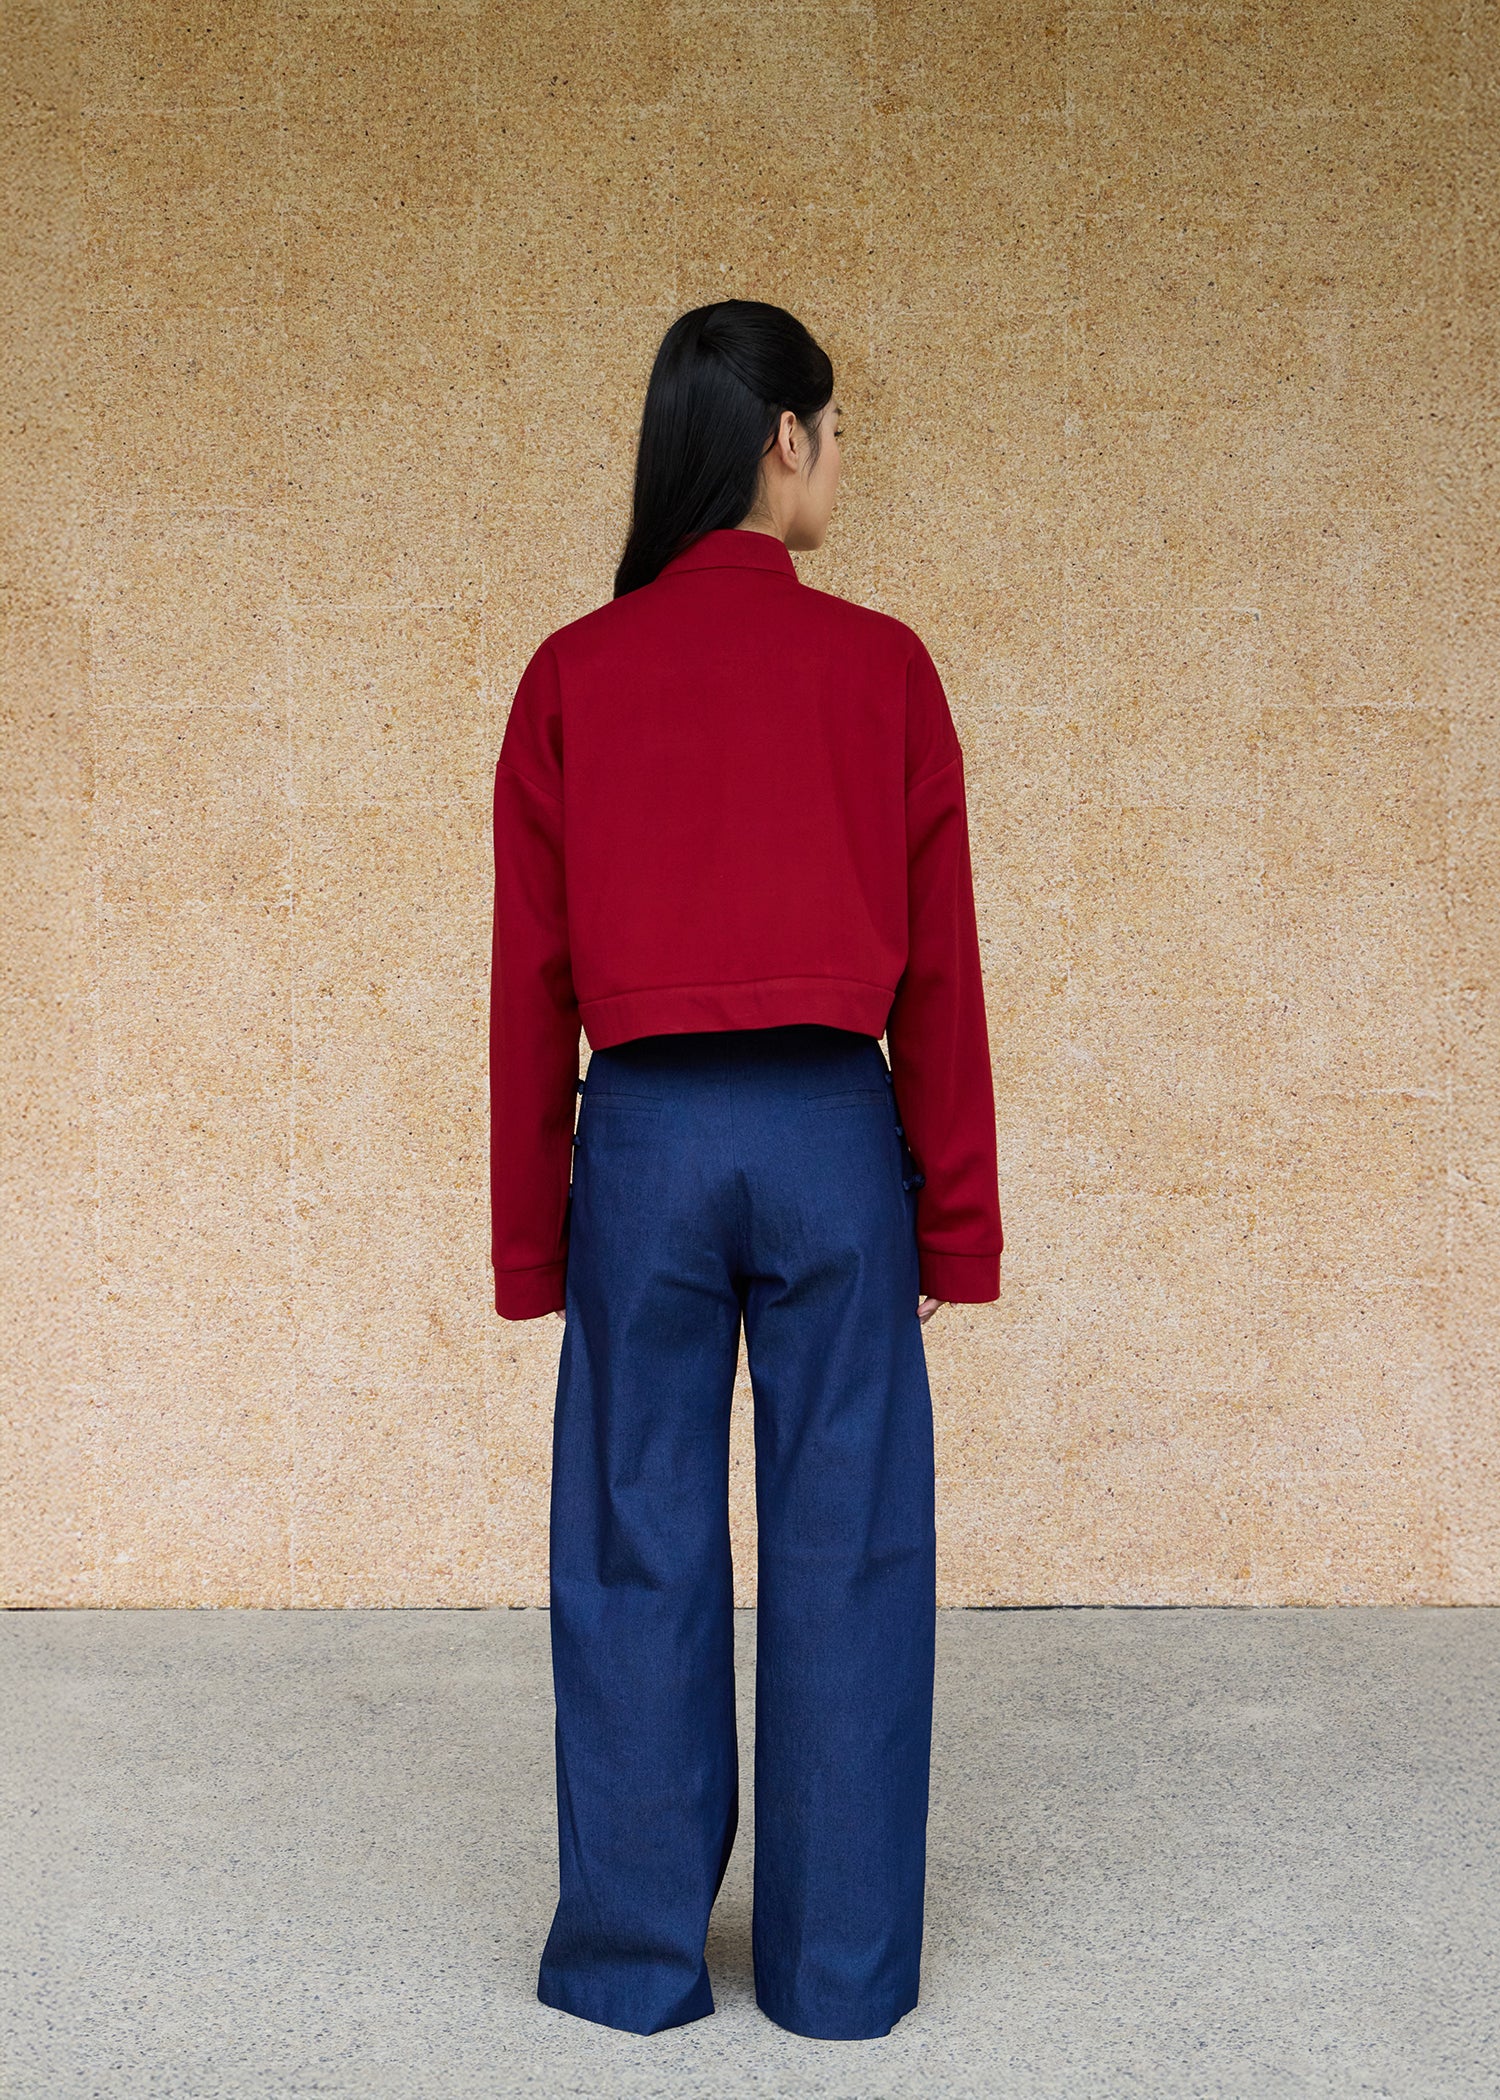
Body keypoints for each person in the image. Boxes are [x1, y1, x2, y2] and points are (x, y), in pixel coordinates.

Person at [489, 300, 1002, 2042]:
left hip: (641, 1142)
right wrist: (956, 1215)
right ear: (780, 439)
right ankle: (840, 1977)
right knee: (850, 1544)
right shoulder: (885, 669)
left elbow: (527, 982)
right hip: (830, 1142)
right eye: (836, 431)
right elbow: (942, 971)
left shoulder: (575, 673)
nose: (840, 463)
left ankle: (635, 1966)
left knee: (634, 1541)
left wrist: (526, 1237)